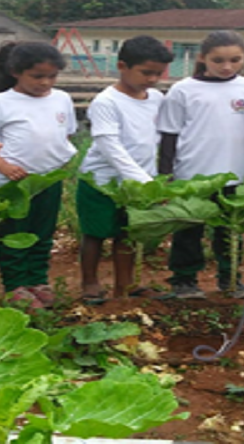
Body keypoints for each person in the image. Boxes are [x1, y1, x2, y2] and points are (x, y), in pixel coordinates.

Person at [157, 30, 244, 299]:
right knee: (188, 230)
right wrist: (165, 176)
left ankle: (230, 280)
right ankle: (184, 280)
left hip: (238, 173)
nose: (226, 66)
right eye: (218, 60)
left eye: (235, 60)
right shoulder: (182, 90)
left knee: (230, 231)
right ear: (203, 58)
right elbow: (169, 135)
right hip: (193, 174)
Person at [0, 41, 77, 309]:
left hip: (48, 180)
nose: (45, 83)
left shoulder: (61, 98)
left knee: (43, 231)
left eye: (52, 76)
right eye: (38, 76)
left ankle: (37, 280)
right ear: (16, 72)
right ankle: (15, 285)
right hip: (13, 184)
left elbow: (66, 133)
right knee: (15, 233)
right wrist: (2, 165)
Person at [78, 35, 174, 303]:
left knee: (128, 234)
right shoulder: (106, 102)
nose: (152, 79)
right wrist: (145, 182)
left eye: (158, 73)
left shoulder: (155, 98)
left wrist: (148, 180)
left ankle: (125, 286)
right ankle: (90, 283)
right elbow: (111, 147)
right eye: (146, 72)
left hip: (139, 181)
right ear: (122, 66)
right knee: (95, 234)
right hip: (101, 181)